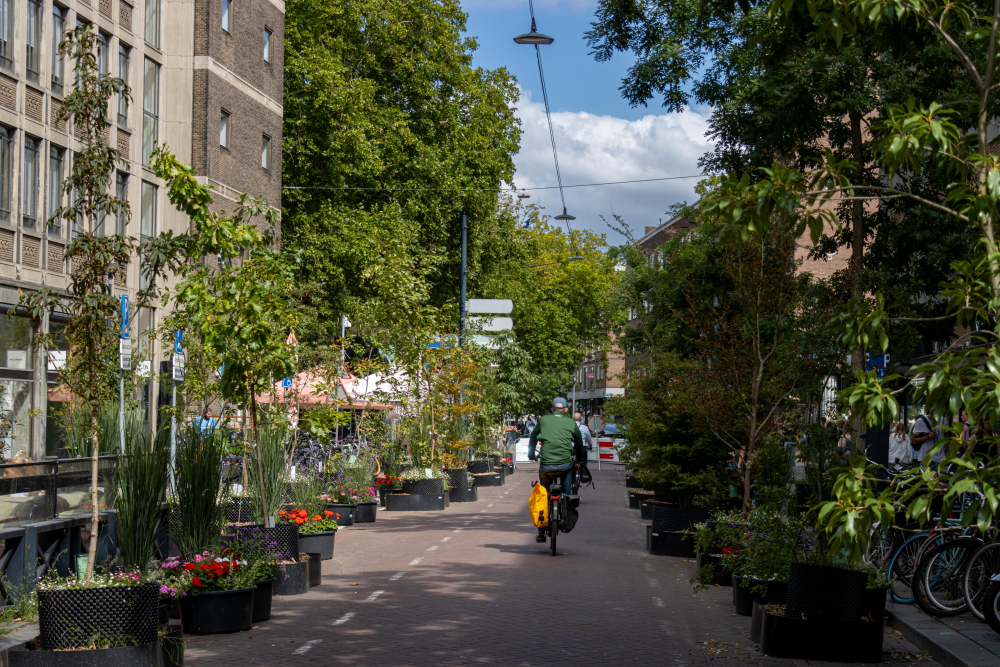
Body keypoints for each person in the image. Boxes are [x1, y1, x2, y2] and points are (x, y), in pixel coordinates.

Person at [529, 397, 585, 543]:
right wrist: (578, 457)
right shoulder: (571, 422)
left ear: (552, 409)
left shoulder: (543, 420)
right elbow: (579, 442)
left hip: (546, 465)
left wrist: (531, 455)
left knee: (543, 493)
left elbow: (533, 438)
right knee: (567, 488)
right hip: (565, 464)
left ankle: (541, 532)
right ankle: (566, 507)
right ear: (566, 410)